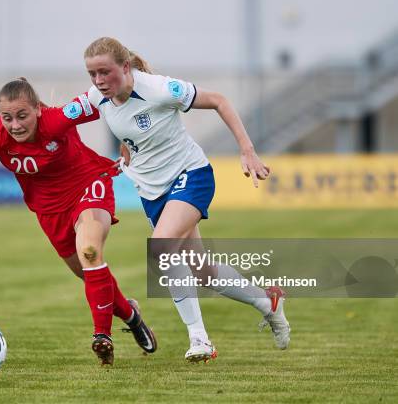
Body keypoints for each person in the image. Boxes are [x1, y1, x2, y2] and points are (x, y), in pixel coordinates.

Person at [0, 78, 157, 366]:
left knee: (90, 252)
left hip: (89, 185)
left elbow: (110, 98)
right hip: (49, 212)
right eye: (7, 117)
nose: (15, 125)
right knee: (90, 273)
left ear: (37, 110)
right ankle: (131, 315)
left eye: (22, 116)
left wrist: (128, 139)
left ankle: (102, 336)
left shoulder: (58, 119)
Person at [82, 37, 290, 363]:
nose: (98, 81)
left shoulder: (160, 89)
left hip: (191, 175)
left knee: (162, 246)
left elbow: (220, 100)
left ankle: (200, 339)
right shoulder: (99, 98)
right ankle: (267, 303)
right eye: (92, 74)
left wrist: (247, 150)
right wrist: (125, 154)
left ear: (124, 67)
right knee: (203, 271)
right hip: (152, 192)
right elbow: (126, 132)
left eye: (104, 72)